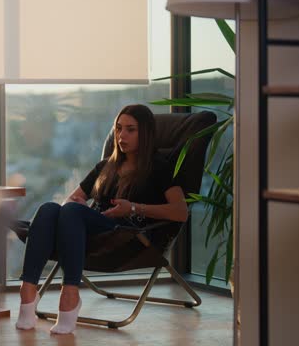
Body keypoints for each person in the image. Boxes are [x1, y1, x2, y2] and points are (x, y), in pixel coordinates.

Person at [15, 104, 189, 334]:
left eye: (130, 130)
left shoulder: (158, 167)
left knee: (71, 211)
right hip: (91, 230)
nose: (121, 135)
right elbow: (73, 199)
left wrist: (134, 208)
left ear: (145, 133)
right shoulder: (106, 166)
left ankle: (70, 295)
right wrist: (74, 203)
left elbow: (180, 211)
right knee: (49, 208)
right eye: (118, 129)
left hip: (126, 234)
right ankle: (28, 292)